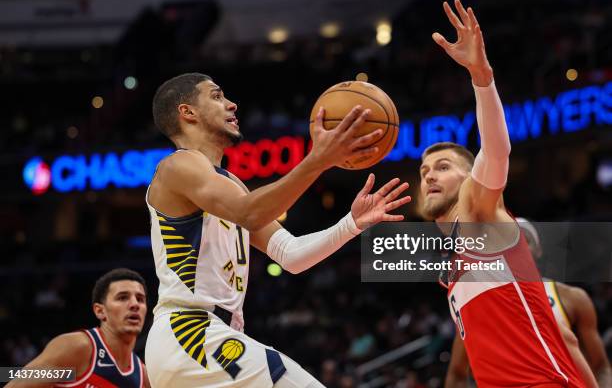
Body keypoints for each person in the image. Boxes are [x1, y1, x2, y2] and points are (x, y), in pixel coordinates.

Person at [145, 72, 411, 387]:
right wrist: (317, 160)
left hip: (212, 338)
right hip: (190, 333)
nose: (232, 104)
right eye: (216, 96)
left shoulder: (230, 185)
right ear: (187, 112)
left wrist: (351, 225)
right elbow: (251, 213)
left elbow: (290, 254)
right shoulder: (178, 166)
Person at [418, 0, 586, 386]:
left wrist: (481, 76)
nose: (429, 176)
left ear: (470, 178)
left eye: (443, 167)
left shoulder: (479, 215)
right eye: (424, 170)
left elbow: (496, 150)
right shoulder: (451, 261)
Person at [445, 219, 610, 387]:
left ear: (537, 250)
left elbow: (601, 366)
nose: (515, 249)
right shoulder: (480, 305)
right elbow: (457, 373)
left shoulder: (572, 297)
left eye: (524, 241)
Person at [7, 268, 149, 388]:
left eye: (140, 299)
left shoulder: (143, 376)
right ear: (100, 311)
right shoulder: (78, 348)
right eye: (123, 297)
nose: (134, 304)